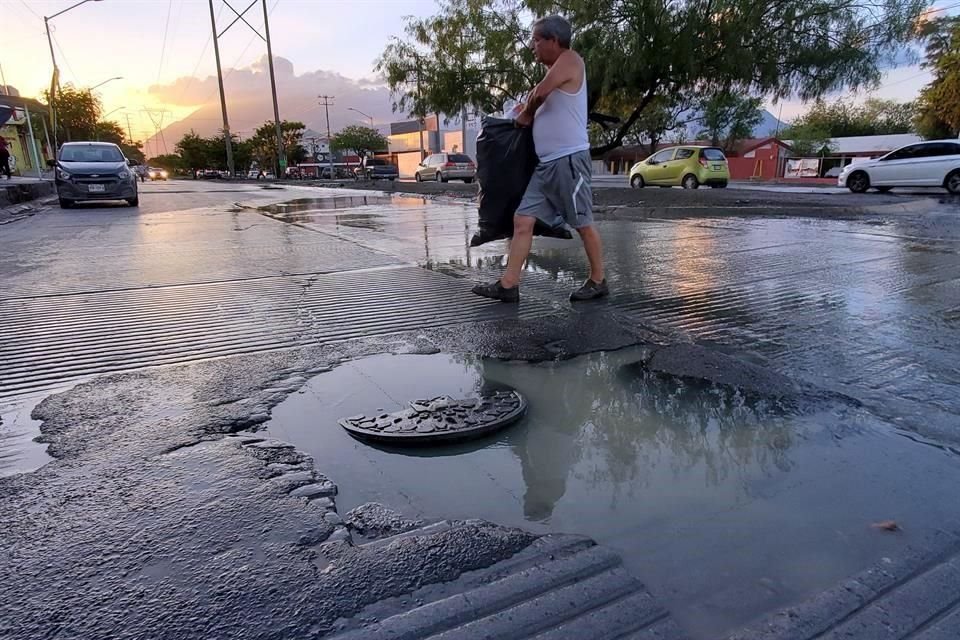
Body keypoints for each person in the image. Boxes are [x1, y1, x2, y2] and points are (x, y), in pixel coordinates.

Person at [472, 14, 607, 303]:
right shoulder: (557, 70)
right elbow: (540, 96)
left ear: (554, 40)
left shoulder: (571, 60)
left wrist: (527, 113)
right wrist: (528, 107)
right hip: (546, 166)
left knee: (582, 222)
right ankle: (509, 285)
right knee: (522, 220)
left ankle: (598, 281)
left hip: (569, 161)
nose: (532, 47)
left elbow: (540, 94)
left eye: (536, 40)